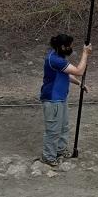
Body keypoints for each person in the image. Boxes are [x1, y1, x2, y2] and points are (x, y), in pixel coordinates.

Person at [39, 34, 92, 166]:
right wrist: (85, 53)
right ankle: (49, 157)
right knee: (53, 130)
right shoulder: (55, 60)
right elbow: (79, 71)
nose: (71, 48)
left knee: (63, 127)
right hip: (53, 101)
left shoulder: (58, 56)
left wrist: (79, 84)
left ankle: (60, 150)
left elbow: (66, 75)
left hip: (61, 98)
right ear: (63, 47)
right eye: (69, 46)